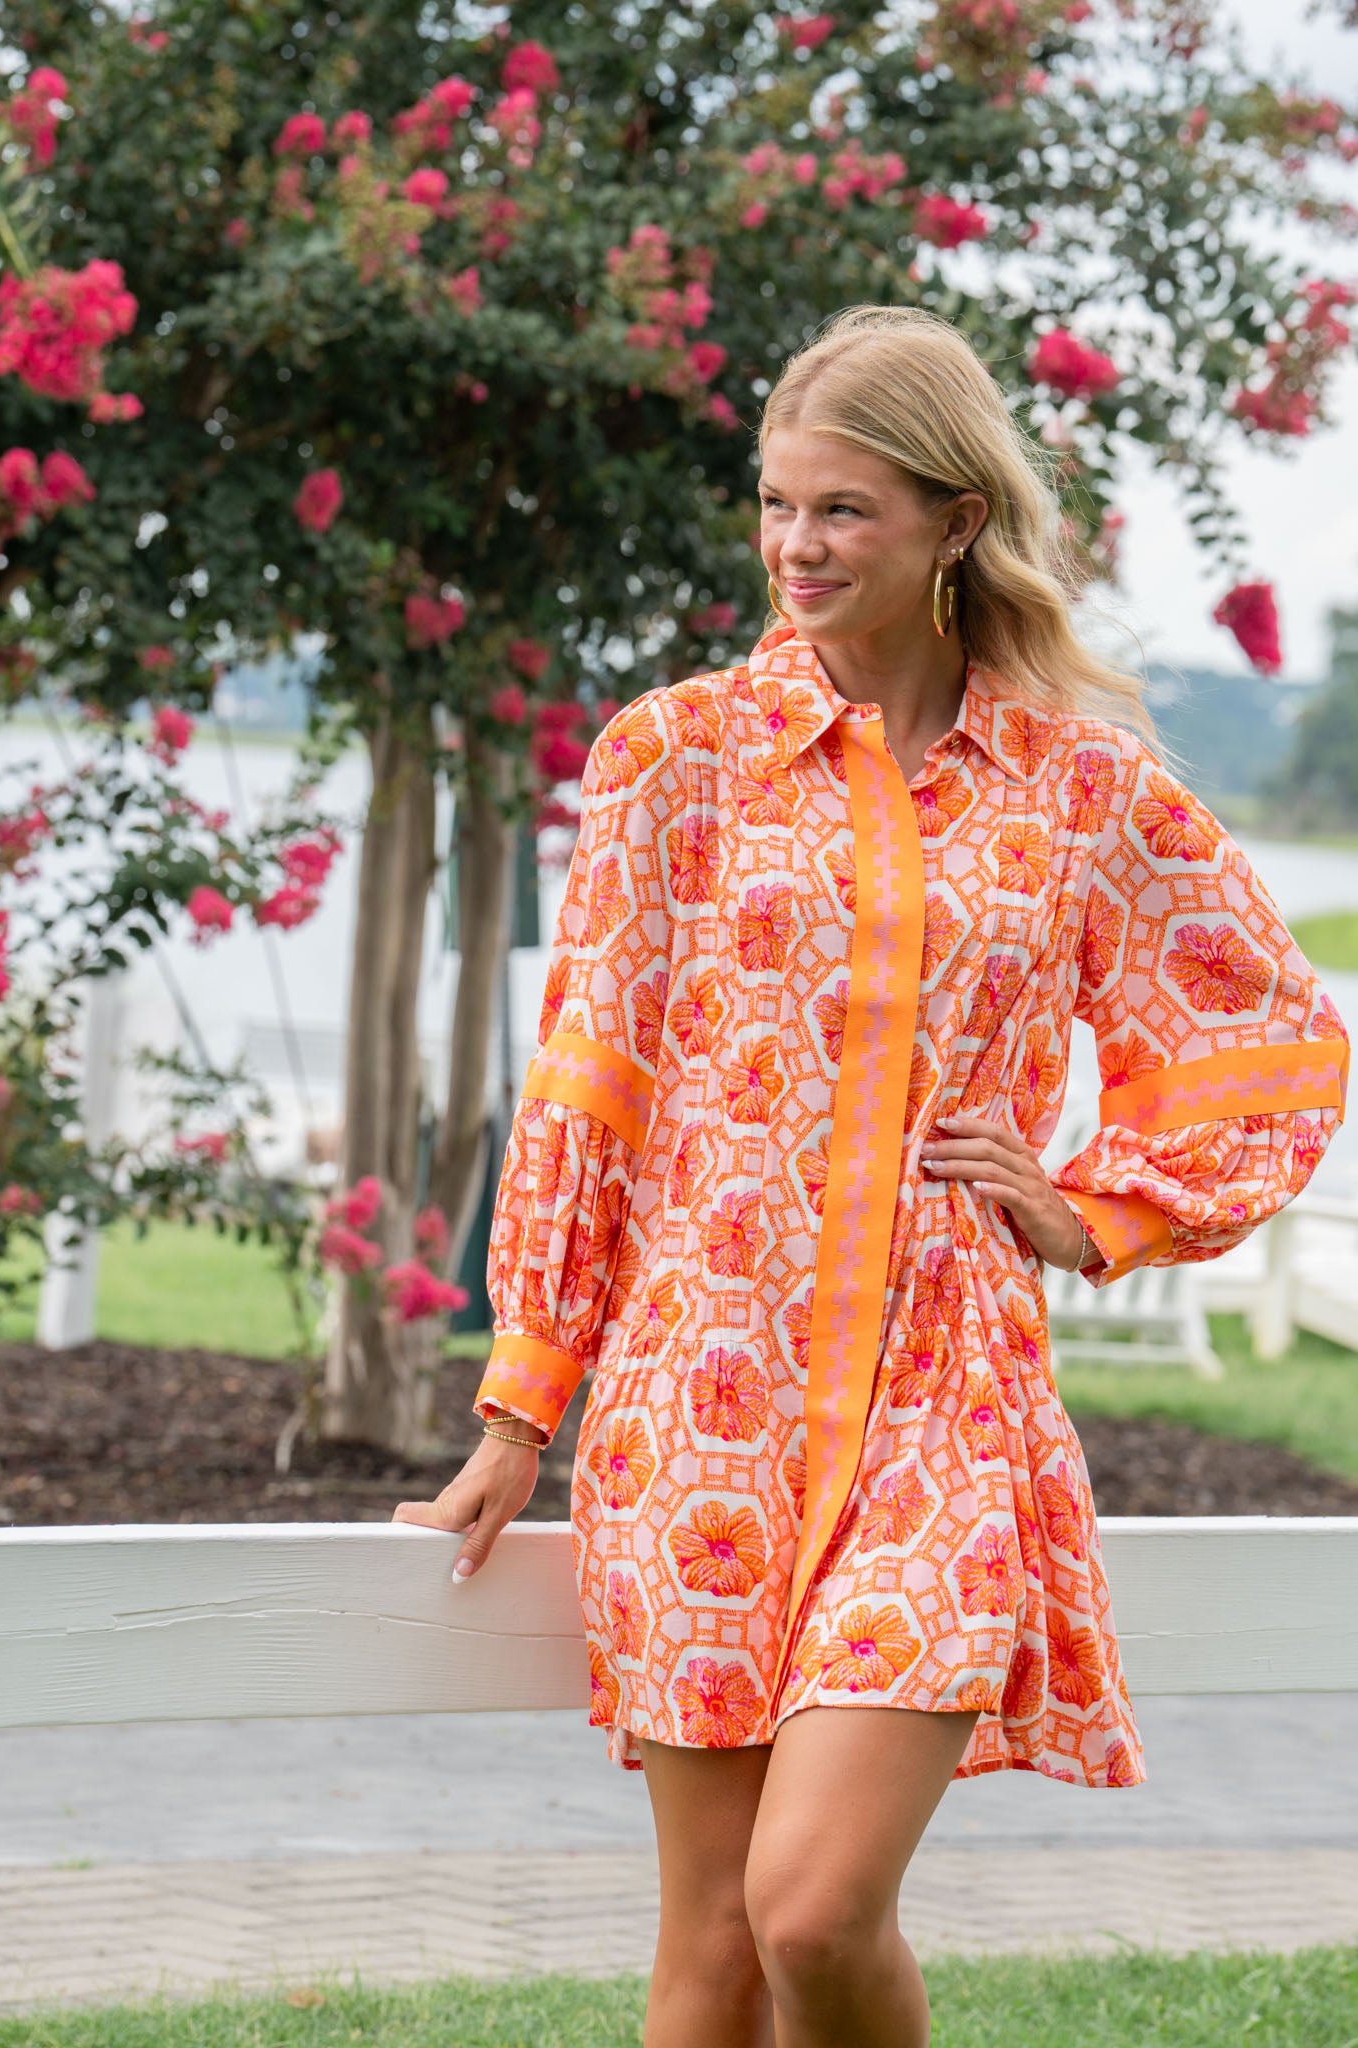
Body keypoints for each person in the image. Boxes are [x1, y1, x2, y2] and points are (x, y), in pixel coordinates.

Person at [394, 305, 1349, 2048]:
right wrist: (520, 1402)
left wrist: (1087, 1210)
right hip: (705, 1390)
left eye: (843, 509)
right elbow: (590, 1087)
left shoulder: (1074, 790)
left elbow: (1267, 1040)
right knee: (708, 1955)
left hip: (945, 1396)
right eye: (776, 504)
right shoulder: (674, 760)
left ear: (952, 521)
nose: (795, 547)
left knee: (816, 1909)